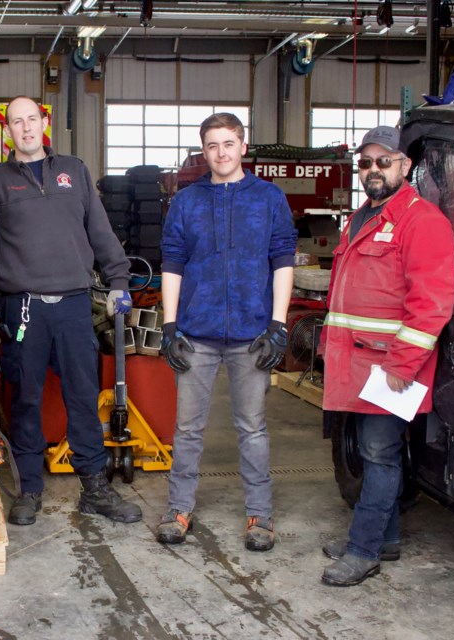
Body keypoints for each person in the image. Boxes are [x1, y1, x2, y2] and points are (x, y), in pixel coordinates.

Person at [0, 95, 141, 527]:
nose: (26, 128)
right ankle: (29, 489)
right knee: (24, 400)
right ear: (7, 130)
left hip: (72, 306)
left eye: (32, 119)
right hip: (21, 310)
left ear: (43, 123)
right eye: (16, 122)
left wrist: (119, 279)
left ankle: (94, 487)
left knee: (82, 399)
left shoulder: (75, 171)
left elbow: (99, 231)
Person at [320, 125, 454, 586]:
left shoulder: (424, 221)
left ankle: (363, 551)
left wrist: (401, 366)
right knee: (374, 450)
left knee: (380, 456)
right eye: (366, 163)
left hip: (390, 368)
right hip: (356, 362)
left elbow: (432, 303)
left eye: (383, 161)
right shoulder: (363, 217)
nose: (373, 170)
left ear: (405, 166)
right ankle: (385, 539)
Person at [157, 112, 296, 552]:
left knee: (252, 427)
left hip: (252, 333)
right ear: (204, 150)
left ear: (243, 145)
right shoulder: (186, 201)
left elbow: (283, 262)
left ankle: (261, 515)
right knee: (187, 429)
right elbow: (173, 265)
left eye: (228, 143)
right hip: (197, 333)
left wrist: (277, 325)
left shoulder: (269, 198)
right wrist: (168, 326)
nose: (221, 153)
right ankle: (179, 509)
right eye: (212, 145)